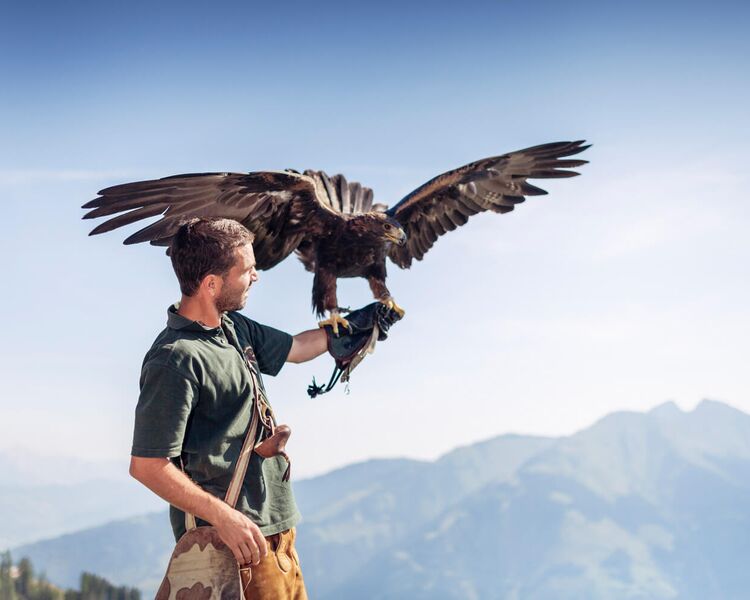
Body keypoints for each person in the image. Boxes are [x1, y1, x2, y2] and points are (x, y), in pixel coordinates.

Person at [129, 217, 399, 599]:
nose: (256, 277)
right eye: (248, 270)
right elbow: (148, 465)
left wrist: (357, 325)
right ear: (211, 284)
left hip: (279, 533)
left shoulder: (234, 328)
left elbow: (296, 348)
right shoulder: (175, 359)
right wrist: (225, 518)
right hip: (235, 546)